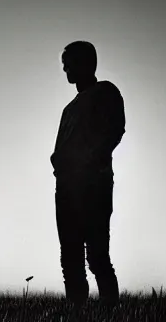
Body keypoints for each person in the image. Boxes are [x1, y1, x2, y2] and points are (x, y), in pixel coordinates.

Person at [50, 41, 125, 309]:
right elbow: (60, 146)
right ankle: (76, 312)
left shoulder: (105, 91)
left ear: (85, 63)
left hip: (94, 185)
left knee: (96, 255)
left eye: (68, 63)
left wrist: (92, 158)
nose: (65, 68)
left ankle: (110, 310)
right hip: (66, 189)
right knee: (70, 257)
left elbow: (116, 128)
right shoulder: (68, 110)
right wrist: (57, 161)